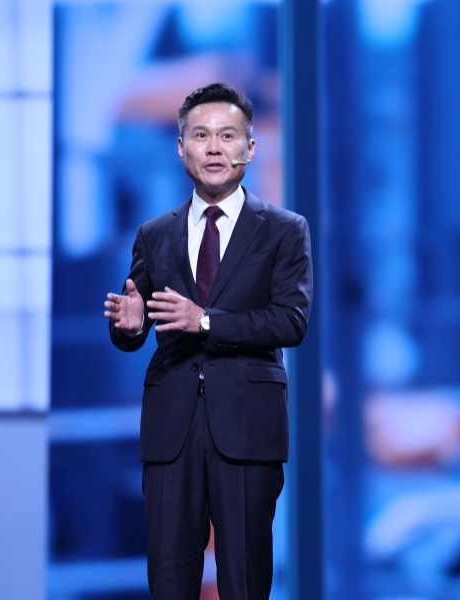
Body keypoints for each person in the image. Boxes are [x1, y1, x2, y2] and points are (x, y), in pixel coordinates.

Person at [103, 82, 313, 599]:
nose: (214, 148)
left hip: (247, 427)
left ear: (249, 148)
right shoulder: (154, 234)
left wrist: (206, 322)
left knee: (244, 578)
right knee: (169, 579)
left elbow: (290, 322)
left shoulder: (285, 230)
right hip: (171, 430)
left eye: (227, 135)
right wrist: (129, 326)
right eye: (201, 135)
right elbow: (138, 325)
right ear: (181, 148)